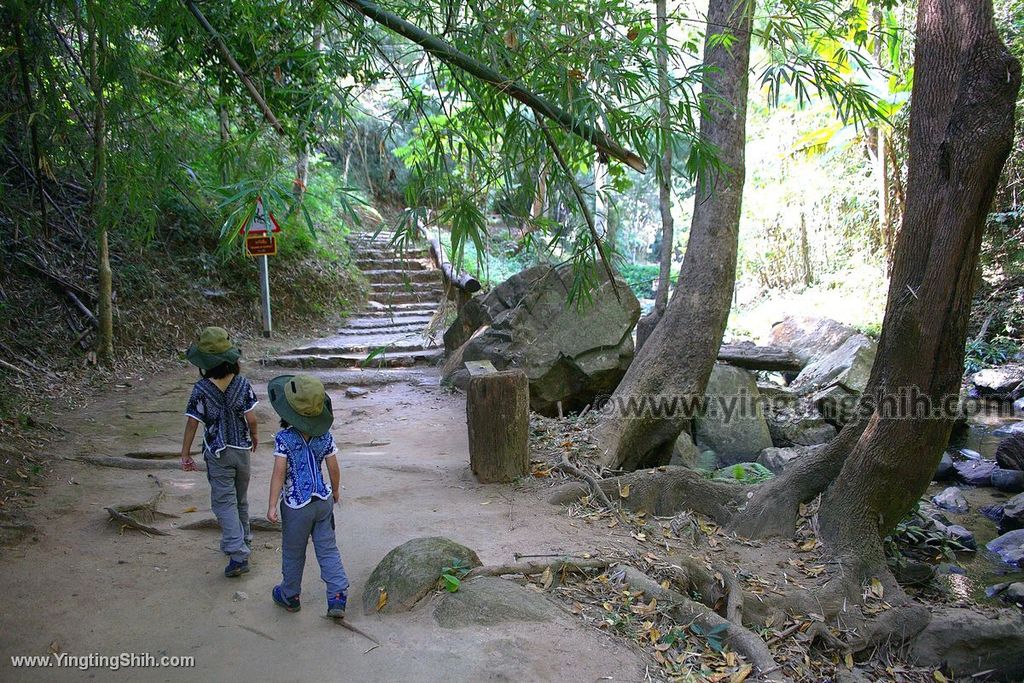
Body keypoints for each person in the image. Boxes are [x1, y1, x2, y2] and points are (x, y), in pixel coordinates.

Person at [266, 373, 348, 618]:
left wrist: (272, 505)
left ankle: (290, 595)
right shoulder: (325, 436)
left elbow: (279, 473)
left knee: (293, 551)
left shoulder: (284, 439)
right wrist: (334, 490)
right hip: (322, 502)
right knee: (328, 549)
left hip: (295, 506)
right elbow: (333, 467)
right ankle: (337, 596)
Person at [180, 326, 259, 578]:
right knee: (240, 498)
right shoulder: (242, 383)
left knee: (223, 502)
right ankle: (242, 539)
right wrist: (254, 436)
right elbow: (252, 418)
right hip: (242, 450)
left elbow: (193, 423)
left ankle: (238, 554)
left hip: (218, 452)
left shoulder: (201, 389)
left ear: (204, 363)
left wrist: (185, 453)